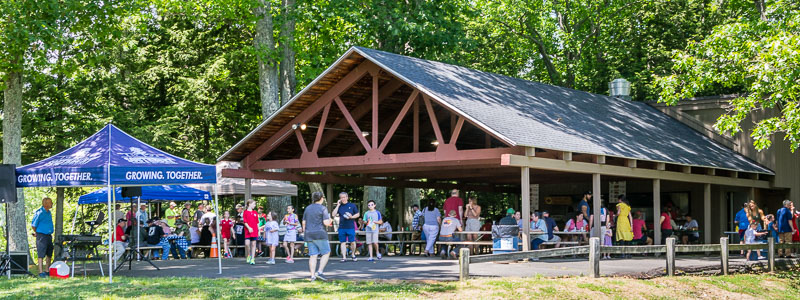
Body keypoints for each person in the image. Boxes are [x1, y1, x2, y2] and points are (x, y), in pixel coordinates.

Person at [303, 191, 333, 281]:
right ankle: (319, 272)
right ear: (322, 198)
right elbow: (326, 223)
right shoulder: (323, 208)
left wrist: (305, 232)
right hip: (320, 233)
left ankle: (312, 276)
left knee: (313, 255)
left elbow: (304, 222)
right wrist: (331, 220)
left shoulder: (307, 208)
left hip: (309, 234)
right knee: (326, 252)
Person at [332, 192, 359, 262]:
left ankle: (353, 254)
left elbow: (358, 214)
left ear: (347, 197)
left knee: (352, 242)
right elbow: (333, 214)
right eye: (341, 197)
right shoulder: (339, 206)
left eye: (344, 197)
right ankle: (344, 257)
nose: (343, 199)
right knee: (342, 242)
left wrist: (351, 217)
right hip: (341, 227)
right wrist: (337, 205)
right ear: (340, 199)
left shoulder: (352, 205)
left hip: (350, 227)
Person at [30, 197, 54, 277]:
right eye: (50, 202)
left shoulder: (49, 212)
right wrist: (36, 232)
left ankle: (47, 270)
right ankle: (40, 272)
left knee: (49, 253)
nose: (52, 204)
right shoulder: (39, 212)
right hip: (41, 235)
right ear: (46, 204)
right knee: (41, 253)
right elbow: (34, 225)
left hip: (48, 235)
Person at [243, 200, 260, 265]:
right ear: (249, 204)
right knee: (247, 244)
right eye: (253, 204)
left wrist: (258, 230)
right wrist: (249, 227)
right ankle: (249, 255)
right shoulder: (245, 212)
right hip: (248, 230)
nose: (254, 205)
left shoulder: (255, 212)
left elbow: (257, 222)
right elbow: (245, 221)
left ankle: (252, 258)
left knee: (253, 244)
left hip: (254, 230)